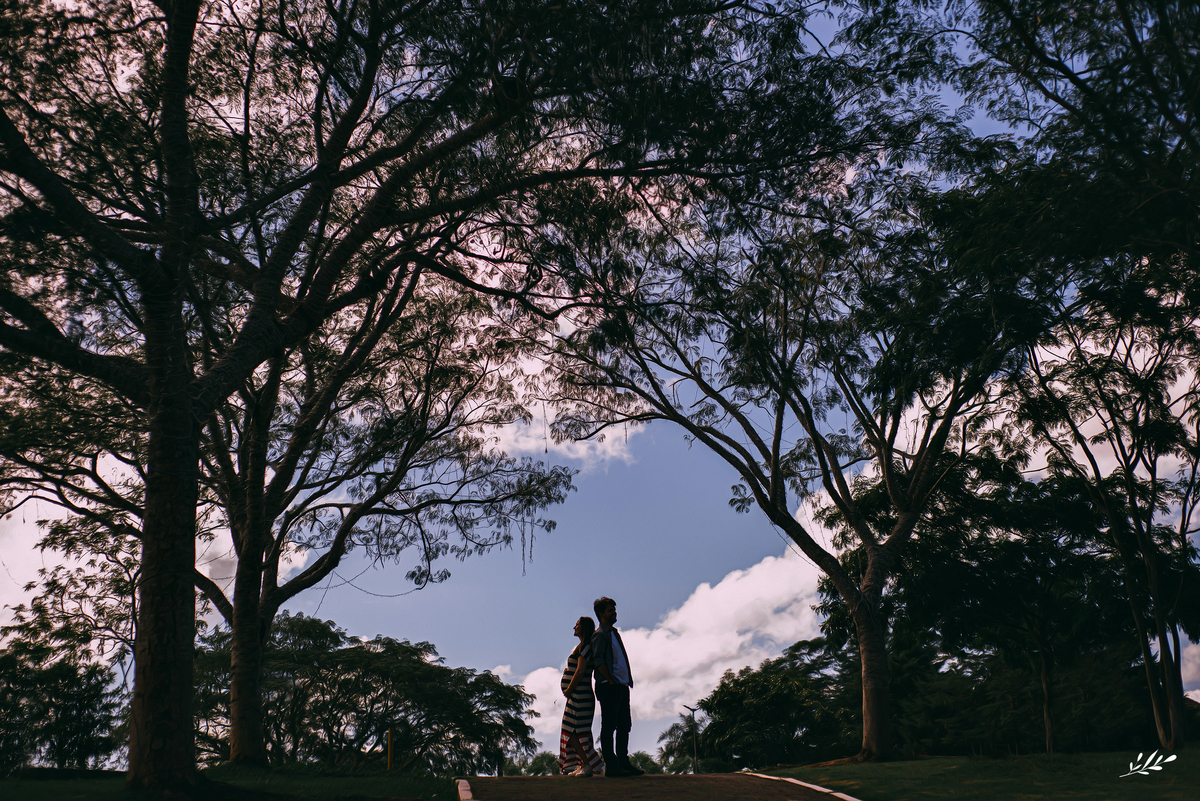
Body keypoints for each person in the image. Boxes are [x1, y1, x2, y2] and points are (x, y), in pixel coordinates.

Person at [590, 596, 644, 777]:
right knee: (609, 725)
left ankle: (623, 762)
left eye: (614, 609)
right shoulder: (600, 635)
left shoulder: (614, 633)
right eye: (610, 610)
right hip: (608, 686)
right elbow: (598, 660)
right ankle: (611, 765)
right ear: (600, 614)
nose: (614, 613)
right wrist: (611, 680)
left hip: (621, 686)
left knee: (624, 724)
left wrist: (623, 681)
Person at [559, 616, 605, 777]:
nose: (574, 627)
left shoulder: (586, 647)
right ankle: (585, 764)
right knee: (573, 731)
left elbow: (580, 671)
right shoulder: (581, 647)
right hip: (578, 696)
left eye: (577, 625)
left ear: (583, 628)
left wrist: (569, 689)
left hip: (580, 696)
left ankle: (589, 764)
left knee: (574, 732)